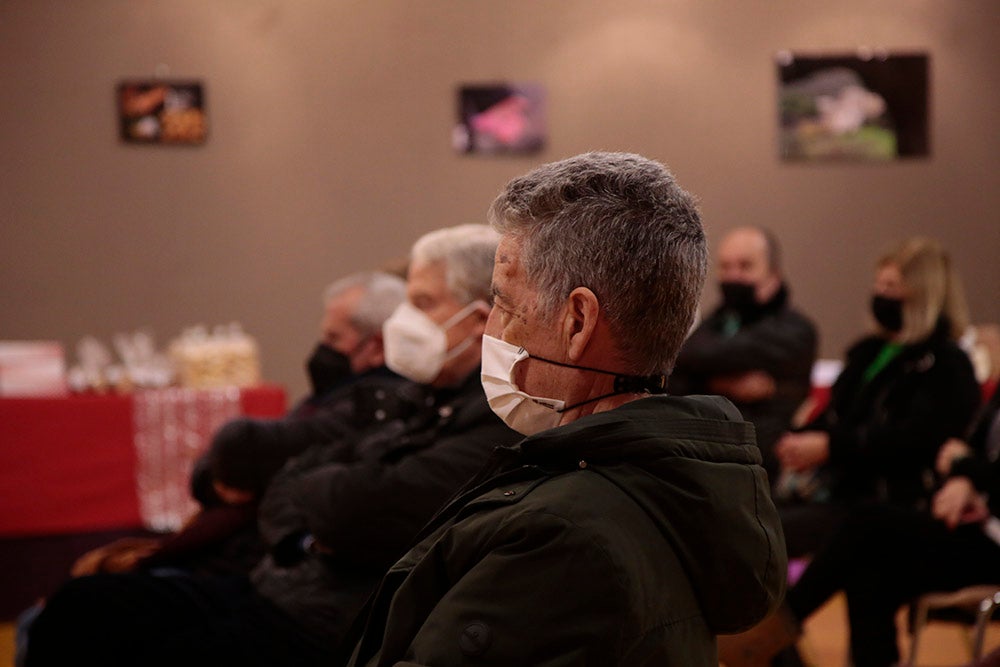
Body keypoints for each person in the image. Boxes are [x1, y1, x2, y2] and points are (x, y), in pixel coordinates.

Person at [341, 152, 787, 667]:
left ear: (577, 322)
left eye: (506, 305)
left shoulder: (559, 540)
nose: (491, 332)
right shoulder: (675, 485)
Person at [24, 225, 521, 667]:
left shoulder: (493, 418)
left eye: (423, 304)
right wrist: (309, 514)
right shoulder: (420, 398)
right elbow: (295, 478)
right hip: (285, 585)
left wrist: (314, 503)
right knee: (84, 607)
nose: (404, 321)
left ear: (479, 319)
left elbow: (354, 508)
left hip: (333, 621)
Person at [69, 271, 419, 578]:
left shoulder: (376, 404)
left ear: (375, 347)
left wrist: (237, 470)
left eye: (333, 339)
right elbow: (211, 467)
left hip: (256, 565)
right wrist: (222, 477)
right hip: (237, 553)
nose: (321, 351)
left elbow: (240, 444)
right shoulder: (332, 395)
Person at [719, 385, 1000, 667]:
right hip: (971, 524)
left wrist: (966, 468)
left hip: (982, 541)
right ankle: (769, 636)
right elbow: (961, 450)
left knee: (863, 525)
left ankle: (767, 632)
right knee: (869, 565)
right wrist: (964, 477)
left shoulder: (946, 363)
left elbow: (940, 448)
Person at [774, 237, 981, 557]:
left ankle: (786, 610)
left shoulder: (947, 365)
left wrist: (830, 448)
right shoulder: (868, 352)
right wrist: (799, 441)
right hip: (838, 488)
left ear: (922, 293)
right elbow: (837, 415)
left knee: (767, 535)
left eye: (892, 286)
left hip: (887, 498)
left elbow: (917, 440)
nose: (880, 294)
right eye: (878, 284)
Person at [670, 226, 818, 481]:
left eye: (745, 266)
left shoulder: (796, 331)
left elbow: (703, 355)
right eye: (726, 267)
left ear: (773, 275)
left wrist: (700, 378)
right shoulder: (717, 322)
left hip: (758, 464)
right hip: (698, 454)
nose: (733, 276)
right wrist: (719, 382)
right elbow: (676, 366)